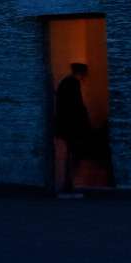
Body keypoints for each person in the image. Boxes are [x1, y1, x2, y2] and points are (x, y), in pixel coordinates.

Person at [53, 61, 96, 195]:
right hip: (71, 123)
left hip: (64, 122)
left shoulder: (64, 82)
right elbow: (77, 104)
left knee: (69, 152)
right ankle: (68, 182)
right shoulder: (73, 83)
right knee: (72, 152)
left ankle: (68, 182)